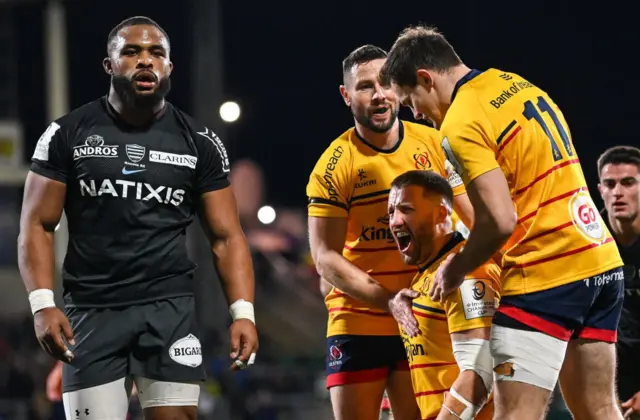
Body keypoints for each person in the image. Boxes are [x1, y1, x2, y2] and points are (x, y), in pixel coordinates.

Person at [18, 16, 258, 420]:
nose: (145, 61)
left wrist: (244, 313)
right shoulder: (67, 134)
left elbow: (226, 237)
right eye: (131, 52)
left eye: (156, 53)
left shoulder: (199, 142)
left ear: (169, 68)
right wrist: (42, 305)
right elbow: (37, 224)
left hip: (169, 309)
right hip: (92, 311)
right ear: (109, 65)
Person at [379, 25, 625, 420]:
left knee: (515, 415)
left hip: (546, 271)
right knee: (598, 411)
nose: (417, 114)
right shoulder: (516, 84)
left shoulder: (459, 123)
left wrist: (454, 269)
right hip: (600, 263)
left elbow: (499, 221)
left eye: (410, 102)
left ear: (425, 78)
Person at [306, 44, 474, 420]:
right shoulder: (334, 165)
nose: (379, 95)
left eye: (384, 83)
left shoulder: (433, 143)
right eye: (365, 86)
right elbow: (325, 257)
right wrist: (389, 301)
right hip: (359, 319)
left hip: (424, 316)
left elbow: (471, 219)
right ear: (346, 96)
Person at [386, 170, 498, 420]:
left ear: (441, 213)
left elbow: (480, 372)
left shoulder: (467, 273)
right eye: (391, 212)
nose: (394, 221)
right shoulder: (423, 278)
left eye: (406, 209)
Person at [597, 146, 640, 419]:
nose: (617, 192)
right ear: (600, 190)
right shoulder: (588, 242)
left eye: (628, 182)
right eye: (610, 184)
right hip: (608, 374)